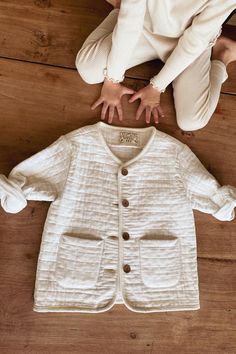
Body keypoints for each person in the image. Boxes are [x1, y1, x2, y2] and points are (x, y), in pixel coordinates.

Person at [75, 0, 236, 130]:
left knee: (192, 121)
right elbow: (130, 23)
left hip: (191, 45)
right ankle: (120, 6)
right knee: (88, 69)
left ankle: (222, 55)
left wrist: (157, 87)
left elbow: (193, 43)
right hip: (143, 28)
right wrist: (112, 79)